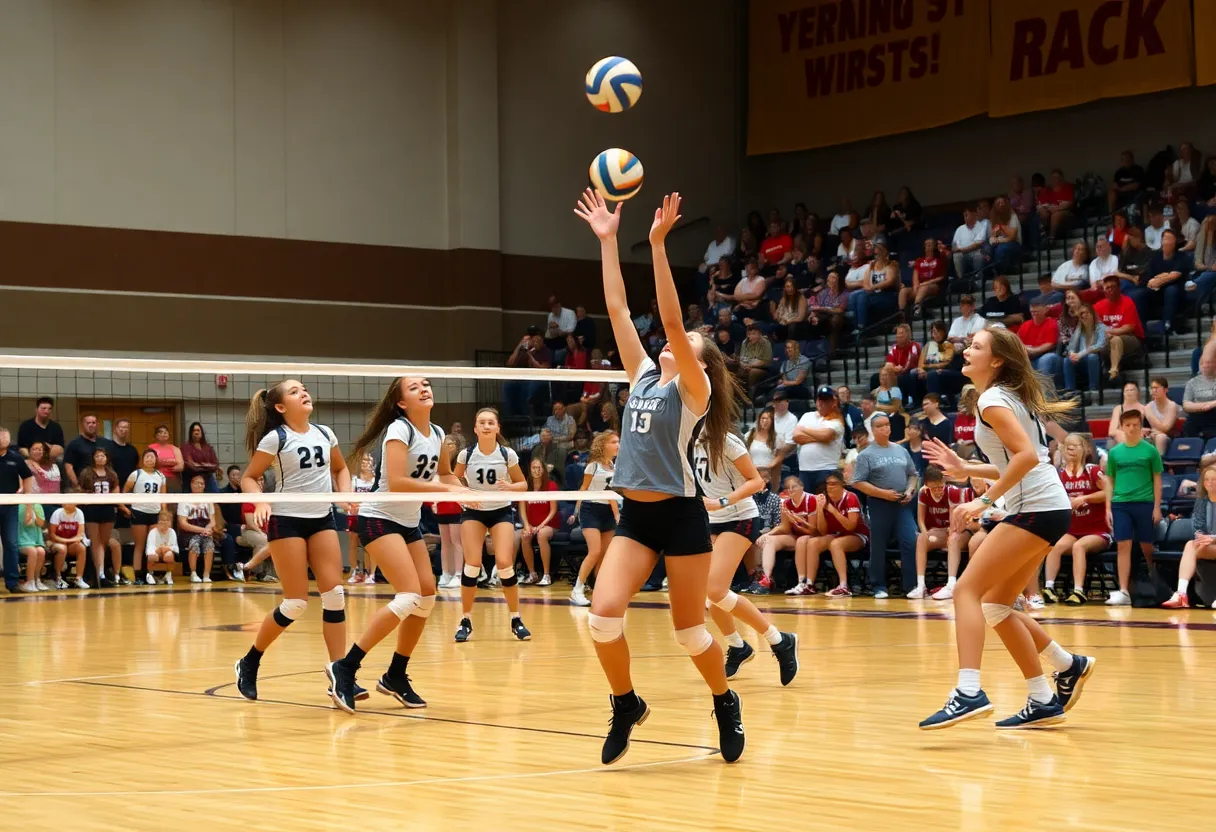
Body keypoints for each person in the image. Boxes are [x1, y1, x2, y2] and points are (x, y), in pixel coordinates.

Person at [573, 188, 745, 765]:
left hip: (681, 517)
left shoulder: (692, 391)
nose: (675, 342)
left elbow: (671, 318)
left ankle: (724, 699)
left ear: (697, 358)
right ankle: (625, 703)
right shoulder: (643, 375)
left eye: (687, 343)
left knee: (689, 633)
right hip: (638, 517)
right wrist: (607, 242)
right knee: (601, 619)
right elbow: (619, 309)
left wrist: (656, 246)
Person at [920, 327, 1094, 730]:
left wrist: (982, 501)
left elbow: (1028, 457)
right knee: (997, 606)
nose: (966, 350)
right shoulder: (1003, 397)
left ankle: (968, 691)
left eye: (976, 346)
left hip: (1035, 508)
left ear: (996, 360)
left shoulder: (992, 399)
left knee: (966, 590)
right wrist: (967, 470)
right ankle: (1050, 687)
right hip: (1047, 507)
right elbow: (1018, 458)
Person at [326, 376, 465, 713]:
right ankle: (344, 667)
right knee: (408, 595)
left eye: (427, 384)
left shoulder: (437, 433)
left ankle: (395, 675)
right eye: (415, 387)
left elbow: (446, 476)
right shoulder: (399, 430)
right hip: (379, 517)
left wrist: (467, 490)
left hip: (407, 522)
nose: (425, 389)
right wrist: (446, 490)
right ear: (402, 402)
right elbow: (399, 482)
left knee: (427, 596)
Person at [233, 379, 354, 703]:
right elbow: (249, 476)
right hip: (287, 519)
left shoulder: (325, 433)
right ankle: (250, 661)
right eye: (294, 391)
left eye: (304, 388)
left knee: (335, 594)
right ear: (281, 407)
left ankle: (339, 673)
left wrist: (344, 495)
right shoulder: (276, 437)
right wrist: (260, 500)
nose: (304, 392)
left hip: (321, 517)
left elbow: (341, 469)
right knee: (296, 602)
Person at [698, 430, 799, 684]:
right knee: (711, 594)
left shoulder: (726, 441)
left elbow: (756, 481)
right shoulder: (687, 439)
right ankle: (738, 646)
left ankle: (779, 639)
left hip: (740, 518)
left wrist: (722, 501)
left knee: (715, 589)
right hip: (712, 521)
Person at [452, 407, 530, 643]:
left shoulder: (508, 454)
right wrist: (463, 493)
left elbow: (523, 484)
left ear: (497, 428)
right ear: (475, 428)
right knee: (472, 565)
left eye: (491, 423)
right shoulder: (466, 455)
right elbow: (453, 479)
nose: (486, 426)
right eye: (482, 423)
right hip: (474, 512)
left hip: (501, 511)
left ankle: (516, 619)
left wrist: (510, 487)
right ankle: (465, 620)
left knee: (505, 564)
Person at [849, 415, 918, 598]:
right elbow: (858, 482)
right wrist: (883, 493)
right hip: (879, 504)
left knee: (910, 541)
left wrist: (910, 491)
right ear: (873, 429)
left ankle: (911, 586)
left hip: (902, 504)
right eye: (880, 426)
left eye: (887, 425)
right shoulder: (866, 455)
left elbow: (913, 475)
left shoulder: (901, 450)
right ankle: (878, 585)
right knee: (878, 546)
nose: (885, 429)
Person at [1102, 409, 1163, 607]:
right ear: (1121, 427)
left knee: (1147, 544)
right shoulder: (1115, 452)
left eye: (1135, 425)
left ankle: (1155, 581)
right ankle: (1123, 590)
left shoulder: (1150, 450)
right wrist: (1108, 508)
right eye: (1127, 425)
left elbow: (1157, 480)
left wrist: (1157, 507)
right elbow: (1109, 481)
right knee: (1123, 545)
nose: (1131, 428)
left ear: (1141, 425)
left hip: (1145, 502)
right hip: (1120, 504)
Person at [1042, 434, 1110, 607]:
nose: (1071, 450)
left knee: (1079, 547)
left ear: (1084, 449)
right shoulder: (1060, 475)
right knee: (1054, 546)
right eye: (1067, 446)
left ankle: (1079, 591)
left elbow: (1108, 492)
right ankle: (1049, 588)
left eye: (1075, 446)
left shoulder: (1092, 470)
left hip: (1098, 531)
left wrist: (1084, 499)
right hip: (1073, 530)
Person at [570, 431, 620, 607]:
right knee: (595, 551)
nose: (617, 445)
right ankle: (577, 589)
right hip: (590, 509)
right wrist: (576, 512)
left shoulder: (614, 466)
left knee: (604, 556)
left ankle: (599, 592)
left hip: (607, 511)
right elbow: (583, 488)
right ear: (603, 445)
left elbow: (611, 493)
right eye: (614, 442)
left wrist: (616, 514)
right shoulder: (593, 466)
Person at [908, 465, 970, 599]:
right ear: (926, 485)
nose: (938, 490)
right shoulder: (923, 493)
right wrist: (926, 534)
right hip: (938, 533)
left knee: (953, 538)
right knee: (920, 539)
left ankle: (951, 585)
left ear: (944, 482)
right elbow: (921, 520)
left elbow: (954, 525)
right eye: (933, 488)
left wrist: (942, 532)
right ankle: (920, 586)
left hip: (956, 531)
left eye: (940, 486)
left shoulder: (952, 491)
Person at [1163, 464, 1216, 608]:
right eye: (1207, 480)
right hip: (1209, 544)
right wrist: (1201, 537)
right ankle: (1181, 594)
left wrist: (1212, 538)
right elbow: (1198, 526)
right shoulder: (1202, 501)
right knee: (1190, 545)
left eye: (1214, 479)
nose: (1210, 483)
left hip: (1214, 541)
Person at [809, 472, 869, 598]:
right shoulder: (825, 499)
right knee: (812, 543)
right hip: (838, 534)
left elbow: (851, 526)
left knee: (836, 544)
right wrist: (820, 509)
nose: (830, 487)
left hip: (858, 534)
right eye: (828, 484)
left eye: (834, 484)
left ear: (842, 484)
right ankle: (809, 584)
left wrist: (832, 511)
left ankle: (843, 586)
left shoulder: (851, 497)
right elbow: (823, 531)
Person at [754, 475, 816, 595]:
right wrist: (768, 534)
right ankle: (766, 578)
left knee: (801, 540)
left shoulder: (811, 500)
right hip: (795, 536)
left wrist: (798, 520)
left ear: (802, 487)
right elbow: (785, 528)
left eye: (794, 486)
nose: (791, 490)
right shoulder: (786, 503)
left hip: (812, 536)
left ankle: (802, 582)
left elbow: (815, 530)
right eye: (788, 488)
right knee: (769, 540)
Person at [124, 448, 168, 585]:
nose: (149, 459)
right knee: (139, 545)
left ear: (156, 460)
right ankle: (138, 575)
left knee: (153, 546)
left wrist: (164, 513)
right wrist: (125, 508)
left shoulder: (161, 476)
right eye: (147, 457)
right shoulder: (136, 474)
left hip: (155, 513)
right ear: (143, 459)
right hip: (139, 512)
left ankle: (150, 574)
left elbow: (163, 497)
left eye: (152, 457)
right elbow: (124, 492)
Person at [78, 447, 120, 588]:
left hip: (107, 509)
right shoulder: (87, 473)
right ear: (93, 458)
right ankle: (97, 574)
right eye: (98, 455)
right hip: (91, 509)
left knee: (103, 542)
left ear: (107, 458)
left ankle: (101, 574)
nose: (100, 458)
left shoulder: (111, 474)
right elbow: (81, 489)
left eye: (103, 455)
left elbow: (116, 489)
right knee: (94, 542)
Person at [0, 427, 35, 593]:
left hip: (10, 507)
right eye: (1, 436)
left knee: (11, 544)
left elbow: (28, 477)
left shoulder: (16, 458)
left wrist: (28, 504)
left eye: (6, 436)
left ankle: (12, 583)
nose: (4, 439)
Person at [793, 386, 845, 494]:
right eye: (819, 399)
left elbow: (826, 435)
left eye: (826, 400)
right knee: (808, 503)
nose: (821, 402)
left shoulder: (836, 420)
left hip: (826, 468)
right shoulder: (807, 416)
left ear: (833, 403)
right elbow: (796, 436)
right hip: (805, 469)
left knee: (825, 502)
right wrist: (818, 437)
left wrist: (804, 429)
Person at [1094, 275, 1144, 380]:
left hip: (1132, 338)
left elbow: (1129, 327)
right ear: (1103, 290)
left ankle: (1114, 371)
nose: (1110, 290)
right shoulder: (1098, 306)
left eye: (1113, 287)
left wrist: (1110, 332)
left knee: (1115, 340)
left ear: (1119, 287)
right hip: (1107, 339)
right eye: (1107, 288)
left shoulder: (1127, 302)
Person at [518, 458, 558, 586]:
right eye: (534, 467)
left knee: (542, 535)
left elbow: (553, 510)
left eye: (539, 467)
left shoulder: (551, 485)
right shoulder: (525, 487)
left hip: (549, 524)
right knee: (524, 536)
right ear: (530, 470)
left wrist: (540, 526)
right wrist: (526, 525)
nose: (536, 470)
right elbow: (522, 509)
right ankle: (532, 574)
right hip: (531, 524)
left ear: (544, 469)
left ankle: (546, 575)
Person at [177, 474, 221, 583]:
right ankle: (193, 573)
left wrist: (207, 528)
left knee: (209, 544)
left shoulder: (208, 500)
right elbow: (183, 523)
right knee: (194, 542)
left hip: (205, 531)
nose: (200, 485)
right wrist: (202, 530)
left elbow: (213, 521)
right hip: (189, 532)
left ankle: (206, 575)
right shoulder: (184, 500)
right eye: (197, 483)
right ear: (191, 484)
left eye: (202, 483)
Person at [434, 437, 464, 589]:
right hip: (442, 505)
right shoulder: (438, 464)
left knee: (456, 540)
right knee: (445, 541)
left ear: (456, 446)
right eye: (444, 445)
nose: (447, 447)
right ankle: (446, 573)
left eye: (450, 444)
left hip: (456, 506)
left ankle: (458, 574)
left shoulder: (459, 464)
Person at [346, 453, 376, 584]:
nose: (366, 462)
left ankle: (371, 573)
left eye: (369, 460)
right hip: (355, 514)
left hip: (370, 514)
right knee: (353, 543)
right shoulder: (355, 480)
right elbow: (350, 497)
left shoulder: (376, 481)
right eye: (363, 460)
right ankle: (355, 570)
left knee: (370, 545)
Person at [50, 492, 89, 590]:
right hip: (57, 542)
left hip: (71, 543)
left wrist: (68, 541)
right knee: (62, 548)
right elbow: (52, 535)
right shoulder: (57, 513)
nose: (65, 503)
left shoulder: (79, 513)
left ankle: (79, 578)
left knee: (81, 547)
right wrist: (64, 541)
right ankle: (58, 578)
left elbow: (80, 535)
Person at [1062, 304, 1106, 391]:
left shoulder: (1101, 328)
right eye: (1081, 314)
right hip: (1082, 361)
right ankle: (1070, 390)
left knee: (1092, 357)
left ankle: (1093, 390)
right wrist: (1072, 354)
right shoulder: (1079, 330)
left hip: (1098, 362)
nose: (1084, 316)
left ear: (1092, 314)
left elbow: (1100, 345)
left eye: (1086, 313)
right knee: (1067, 360)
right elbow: (1071, 347)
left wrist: (1080, 354)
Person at [900, 238, 947, 319]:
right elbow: (915, 274)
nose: (928, 245)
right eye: (926, 244)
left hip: (933, 286)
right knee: (903, 291)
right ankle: (902, 315)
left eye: (930, 243)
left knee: (924, 288)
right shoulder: (919, 260)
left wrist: (926, 283)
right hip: (920, 286)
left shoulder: (939, 259)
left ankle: (916, 310)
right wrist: (915, 287)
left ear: (934, 246)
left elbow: (941, 277)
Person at [63, 414, 112, 490]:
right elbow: (68, 466)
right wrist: (76, 485)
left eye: (93, 423)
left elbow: (109, 464)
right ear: (82, 425)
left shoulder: (106, 443)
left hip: (104, 486)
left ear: (97, 424)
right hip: (82, 487)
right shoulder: (74, 444)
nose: (91, 425)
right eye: (88, 423)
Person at [1018, 298, 1061, 379]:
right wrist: (1026, 349)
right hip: (1028, 356)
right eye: (1032, 312)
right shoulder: (1025, 325)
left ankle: (1044, 389)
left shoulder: (1052, 323)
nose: (1034, 314)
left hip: (1046, 355)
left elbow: (1050, 345)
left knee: (1046, 359)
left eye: (1036, 312)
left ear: (1045, 310)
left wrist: (1032, 350)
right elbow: (1017, 342)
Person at [745, 408, 783, 489]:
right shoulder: (749, 435)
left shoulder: (776, 438)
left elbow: (779, 456)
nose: (764, 421)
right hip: (752, 475)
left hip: (767, 476)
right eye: (763, 418)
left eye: (767, 419)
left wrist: (770, 466)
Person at [17, 500, 48, 592]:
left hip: (35, 540)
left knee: (41, 552)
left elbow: (41, 523)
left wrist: (34, 508)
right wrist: (29, 508)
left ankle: (36, 580)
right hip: (21, 539)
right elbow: (27, 521)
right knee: (33, 551)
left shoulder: (38, 505)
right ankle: (29, 581)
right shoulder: (18, 506)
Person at [1144, 377, 1179, 456]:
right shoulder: (1148, 406)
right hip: (1152, 436)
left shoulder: (1172, 405)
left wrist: (1149, 414)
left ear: (1165, 390)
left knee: (1160, 437)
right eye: (1152, 388)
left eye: (1156, 388)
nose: (1153, 391)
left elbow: (1166, 428)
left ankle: (1159, 465)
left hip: (1167, 437)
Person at [182, 422, 220, 493]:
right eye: (194, 430)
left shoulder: (209, 448)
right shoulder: (185, 447)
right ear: (190, 433)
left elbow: (215, 465)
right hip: (192, 479)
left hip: (208, 479)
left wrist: (199, 465)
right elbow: (191, 465)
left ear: (201, 432)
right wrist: (207, 465)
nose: (196, 432)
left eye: (198, 430)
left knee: (214, 500)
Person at [952, 206, 987, 280]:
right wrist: (957, 249)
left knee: (979, 255)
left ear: (974, 215)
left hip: (976, 251)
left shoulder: (981, 227)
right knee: (956, 256)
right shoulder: (960, 229)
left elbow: (978, 243)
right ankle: (960, 280)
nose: (965, 217)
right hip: (962, 252)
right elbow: (954, 245)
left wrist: (965, 249)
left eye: (967, 215)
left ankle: (978, 280)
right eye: (964, 215)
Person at [144, 511, 179, 584]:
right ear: (158, 521)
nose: (165, 522)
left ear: (170, 522)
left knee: (169, 555)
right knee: (152, 556)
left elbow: (175, 547)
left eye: (167, 520)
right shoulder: (153, 532)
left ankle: (168, 575)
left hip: (166, 553)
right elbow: (149, 548)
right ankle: (150, 574)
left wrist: (168, 548)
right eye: (162, 520)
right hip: (156, 553)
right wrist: (159, 550)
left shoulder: (172, 532)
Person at [148, 425, 184, 493]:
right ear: (156, 435)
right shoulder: (151, 448)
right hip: (156, 478)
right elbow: (151, 463)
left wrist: (161, 462)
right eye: (161, 432)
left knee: (172, 501)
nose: (163, 434)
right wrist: (172, 462)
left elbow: (180, 466)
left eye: (165, 432)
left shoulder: (175, 448)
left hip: (172, 480)